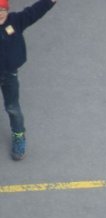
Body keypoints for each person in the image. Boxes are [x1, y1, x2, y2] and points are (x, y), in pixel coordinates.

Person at [0, 0, 56, 160]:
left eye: (1, 9)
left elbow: (34, 11)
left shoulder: (16, 21)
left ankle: (19, 136)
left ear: (6, 10)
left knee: (12, 108)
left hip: (9, 75)